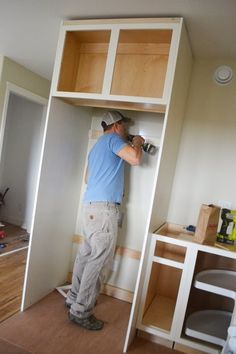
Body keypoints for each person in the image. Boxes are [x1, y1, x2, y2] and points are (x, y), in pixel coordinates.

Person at [66, 110, 144, 330]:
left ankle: (73, 298)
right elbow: (136, 159)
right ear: (117, 126)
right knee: (98, 262)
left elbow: (87, 178)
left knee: (85, 256)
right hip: (104, 211)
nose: (127, 130)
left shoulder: (97, 146)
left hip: (90, 208)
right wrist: (137, 142)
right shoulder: (112, 139)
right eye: (125, 126)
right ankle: (81, 311)